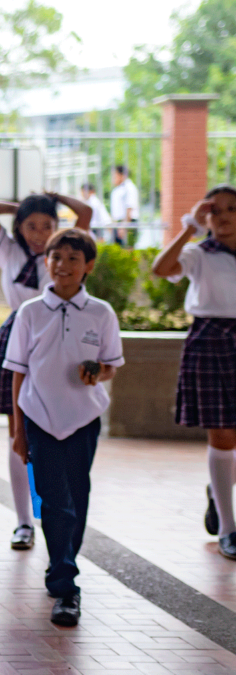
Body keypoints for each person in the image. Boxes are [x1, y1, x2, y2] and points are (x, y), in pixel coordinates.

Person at [5, 228, 123, 627]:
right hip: (39, 418)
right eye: (57, 257)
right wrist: (18, 431)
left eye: (74, 258)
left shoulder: (102, 313)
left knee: (77, 497)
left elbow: (110, 366)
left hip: (83, 420)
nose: (63, 265)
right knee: (55, 500)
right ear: (46, 262)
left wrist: (97, 372)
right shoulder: (30, 312)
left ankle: (62, 563)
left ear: (88, 266)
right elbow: (18, 374)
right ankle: (66, 585)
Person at [0, 193, 92, 551]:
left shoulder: (62, 254)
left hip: (58, 339)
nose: (39, 234)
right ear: (19, 227)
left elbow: (85, 213)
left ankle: (54, 512)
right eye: (31, 226)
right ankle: (23, 521)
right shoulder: (7, 250)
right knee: (17, 431)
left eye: (47, 226)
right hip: (18, 336)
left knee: (55, 431)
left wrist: (53, 199)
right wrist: (25, 205)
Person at [151, 185, 236, 560]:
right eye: (215, 211)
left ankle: (219, 490)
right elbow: (161, 269)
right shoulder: (199, 253)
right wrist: (189, 226)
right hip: (210, 341)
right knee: (222, 434)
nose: (225, 216)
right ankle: (229, 530)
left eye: (232, 209)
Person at [110, 165, 139, 247]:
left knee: (127, 249)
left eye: (115, 175)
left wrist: (124, 226)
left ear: (122, 175)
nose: (113, 178)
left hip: (127, 222)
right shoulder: (117, 189)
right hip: (119, 223)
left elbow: (129, 208)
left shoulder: (129, 188)